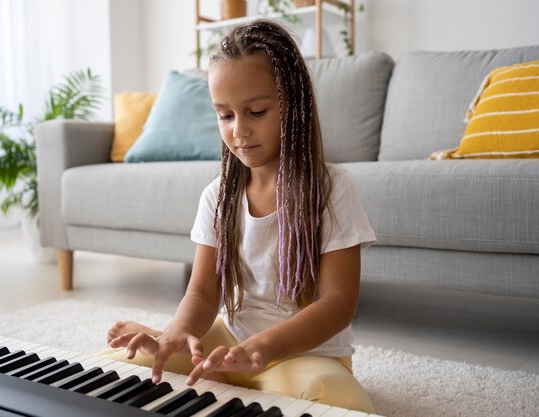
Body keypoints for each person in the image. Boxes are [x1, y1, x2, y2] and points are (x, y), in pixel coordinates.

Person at [99, 19, 377, 413]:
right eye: (225, 116)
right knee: (112, 371)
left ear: (292, 104)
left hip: (303, 354)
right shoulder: (217, 197)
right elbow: (202, 292)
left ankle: (229, 386)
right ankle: (200, 364)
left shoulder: (332, 188)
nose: (239, 131)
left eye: (256, 111)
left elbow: (338, 303)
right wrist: (176, 335)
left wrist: (262, 348)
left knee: (341, 403)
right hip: (229, 343)